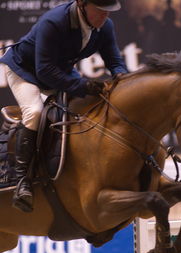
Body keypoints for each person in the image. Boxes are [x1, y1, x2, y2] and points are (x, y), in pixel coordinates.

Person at [0, 0, 127, 213]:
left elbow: (115, 61)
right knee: (35, 113)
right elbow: (44, 71)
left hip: (58, 71)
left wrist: (122, 81)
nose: (105, 15)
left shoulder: (105, 26)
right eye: (101, 10)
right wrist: (82, 85)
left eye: (109, 11)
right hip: (26, 71)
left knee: (84, 109)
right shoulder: (54, 21)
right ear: (82, 4)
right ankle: (22, 181)